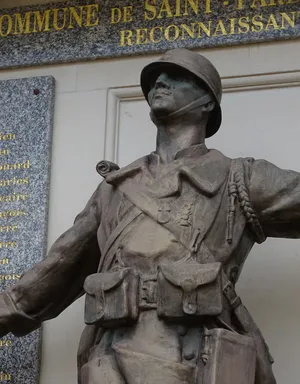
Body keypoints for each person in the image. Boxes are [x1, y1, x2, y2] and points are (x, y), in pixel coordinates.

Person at [2, 47, 300, 384]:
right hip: (109, 362)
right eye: (157, 77)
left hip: (195, 359)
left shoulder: (240, 179)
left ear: (207, 102)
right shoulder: (115, 188)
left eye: (179, 77)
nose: (160, 81)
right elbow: (58, 268)